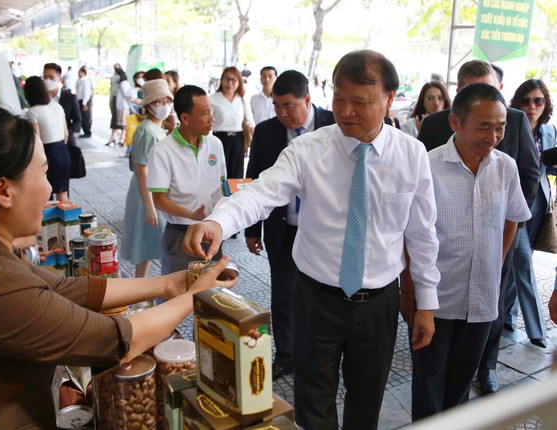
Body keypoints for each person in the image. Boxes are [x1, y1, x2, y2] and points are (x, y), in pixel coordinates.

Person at [0, 105, 236, 428]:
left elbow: (65, 289)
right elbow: (114, 341)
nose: (50, 188)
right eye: (42, 172)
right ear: (2, 191)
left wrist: (170, 284)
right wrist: (193, 296)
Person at [183, 50, 440, 430]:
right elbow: (260, 193)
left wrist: (426, 304)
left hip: (377, 305)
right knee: (312, 403)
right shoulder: (308, 149)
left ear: (389, 98)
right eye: (339, 98)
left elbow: (422, 235)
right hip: (315, 300)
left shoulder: (412, 155)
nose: (346, 111)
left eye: (360, 102)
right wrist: (219, 222)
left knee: (366, 403)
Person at [409, 83, 530, 420]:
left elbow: (512, 219)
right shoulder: (428, 167)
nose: (493, 136)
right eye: (484, 126)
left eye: (500, 126)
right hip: (437, 299)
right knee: (429, 388)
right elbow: (412, 237)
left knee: (460, 388)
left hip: (482, 298)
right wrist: (416, 300)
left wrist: (497, 260)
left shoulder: (505, 167)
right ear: (455, 123)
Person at [245, 69, 334, 381]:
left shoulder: (334, 125)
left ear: (307, 100)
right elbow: (255, 177)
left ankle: (322, 354)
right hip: (282, 229)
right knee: (284, 294)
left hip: (323, 231)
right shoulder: (267, 131)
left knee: (323, 295)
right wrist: (252, 230)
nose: (282, 113)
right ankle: (286, 356)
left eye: (288, 106)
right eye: (276, 107)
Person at [148, 85, 227, 275]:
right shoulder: (162, 151)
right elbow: (158, 200)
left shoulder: (215, 144)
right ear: (185, 118)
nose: (212, 119)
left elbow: (223, 186)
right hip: (180, 235)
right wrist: (192, 215)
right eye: (205, 113)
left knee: (210, 294)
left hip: (210, 231)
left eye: (212, 111)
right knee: (175, 293)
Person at [504, 79, 556, 348]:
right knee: (524, 264)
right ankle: (537, 331)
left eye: (538, 100)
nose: (532, 106)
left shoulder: (549, 132)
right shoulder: (510, 127)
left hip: (540, 206)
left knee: (516, 263)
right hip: (517, 205)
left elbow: (550, 170)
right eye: (526, 100)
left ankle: (507, 318)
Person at [121, 79, 173, 278]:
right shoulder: (146, 131)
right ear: (149, 105)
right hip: (145, 194)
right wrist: (150, 206)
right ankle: (139, 291)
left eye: (166, 101)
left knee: (148, 243)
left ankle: (141, 291)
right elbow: (141, 170)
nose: (164, 106)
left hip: (151, 191)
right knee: (143, 244)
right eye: (158, 102)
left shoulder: (157, 128)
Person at [24, 76, 70, 202]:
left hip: (47, 155)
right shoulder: (57, 107)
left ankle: (48, 222)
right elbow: (66, 134)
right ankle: (69, 220)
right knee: (62, 195)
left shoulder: (32, 112)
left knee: (45, 196)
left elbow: (36, 140)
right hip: (63, 152)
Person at [211, 67, 255, 179]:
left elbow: (250, 120)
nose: (230, 83)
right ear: (221, 80)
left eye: (234, 80)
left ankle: (234, 196)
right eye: (226, 79)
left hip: (238, 140)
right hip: (219, 139)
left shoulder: (242, 99)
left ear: (239, 82)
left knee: (236, 174)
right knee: (218, 173)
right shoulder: (213, 99)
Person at [43, 62, 82, 148]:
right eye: (45, 77)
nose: (47, 80)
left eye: (51, 77)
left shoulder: (70, 98)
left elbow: (77, 121)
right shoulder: (39, 99)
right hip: (45, 144)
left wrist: (67, 132)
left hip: (66, 143)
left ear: (60, 79)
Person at [107, 63, 126, 146]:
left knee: (122, 121)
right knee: (115, 120)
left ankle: (121, 138)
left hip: (121, 104)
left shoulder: (122, 82)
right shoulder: (115, 78)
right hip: (116, 101)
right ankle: (114, 137)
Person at [76, 66, 94, 138]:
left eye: (80, 72)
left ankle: (87, 132)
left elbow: (86, 92)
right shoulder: (79, 80)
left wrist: (84, 103)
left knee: (84, 117)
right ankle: (82, 130)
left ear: (84, 73)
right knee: (80, 117)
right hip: (79, 100)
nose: (79, 73)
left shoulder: (86, 81)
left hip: (84, 101)